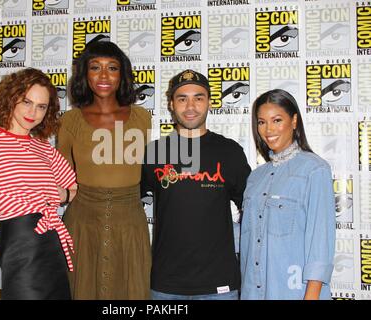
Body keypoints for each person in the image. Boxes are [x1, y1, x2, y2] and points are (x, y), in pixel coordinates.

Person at [0, 68, 77, 300]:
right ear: (11, 99)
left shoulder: (45, 149)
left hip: (52, 248)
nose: (33, 112)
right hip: (14, 248)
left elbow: (74, 190)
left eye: (41, 106)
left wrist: (57, 194)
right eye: (26, 102)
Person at [141, 69, 251, 300]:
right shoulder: (154, 152)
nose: (190, 106)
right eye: (182, 98)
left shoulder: (229, 152)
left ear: (209, 102)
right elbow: (126, 204)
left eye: (198, 98)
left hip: (219, 285)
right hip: (165, 284)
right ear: (171, 104)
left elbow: (254, 212)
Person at [57, 41, 151, 299]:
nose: (104, 75)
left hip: (129, 222)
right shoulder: (69, 122)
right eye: (95, 67)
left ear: (122, 75)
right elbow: (62, 179)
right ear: (84, 74)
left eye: (112, 68)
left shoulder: (143, 118)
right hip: (82, 225)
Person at [240, 89, 336, 300]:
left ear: (294, 121)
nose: (268, 129)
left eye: (276, 120)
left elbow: (320, 243)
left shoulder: (315, 170)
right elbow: (245, 237)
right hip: (252, 293)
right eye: (261, 122)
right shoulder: (256, 178)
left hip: (294, 292)